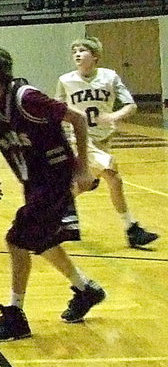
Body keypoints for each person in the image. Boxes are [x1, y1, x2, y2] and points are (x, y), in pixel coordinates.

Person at [0, 45, 107, 342]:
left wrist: (81, 168)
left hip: (56, 181)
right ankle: (86, 289)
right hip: (33, 183)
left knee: (17, 240)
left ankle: (15, 315)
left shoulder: (26, 98)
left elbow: (78, 119)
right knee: (42, 240)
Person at [55, 37, 159, 248]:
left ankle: (50, 213)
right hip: (81, 139)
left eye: (82, 50)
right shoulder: (65, 80)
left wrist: (113, 117)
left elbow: (131, 106)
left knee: (83, 185)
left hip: (104, 138)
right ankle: (131, 229)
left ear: (95, 56)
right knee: (113, 176)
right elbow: (56, 109)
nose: (77, 54)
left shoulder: (110, 77)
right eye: (74, 51)